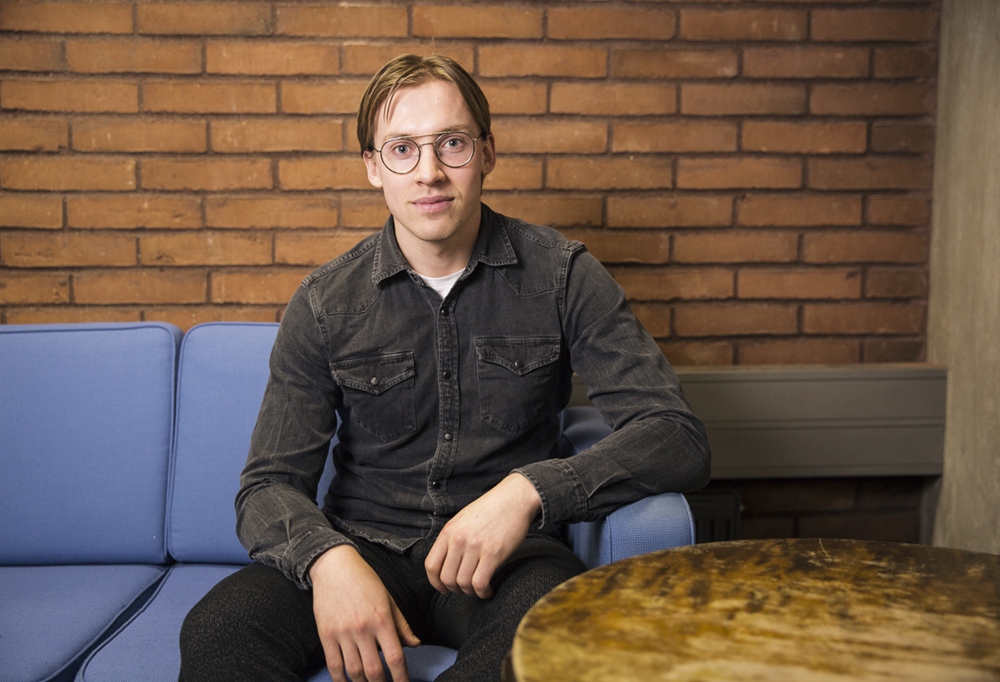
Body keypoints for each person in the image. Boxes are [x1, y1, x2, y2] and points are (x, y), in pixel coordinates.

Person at [179, 54, 710, 682]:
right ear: (373, 167)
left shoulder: (563, 275)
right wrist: (327, 560)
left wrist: (527, 492)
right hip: (364, 550)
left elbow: (676, 435)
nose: (429, 172)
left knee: (551, 634)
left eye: (451, 143)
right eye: (402, 149)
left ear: (487, 152)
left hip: (509, 561)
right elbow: (267, 485)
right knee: (219, 628)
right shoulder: (324, 302)